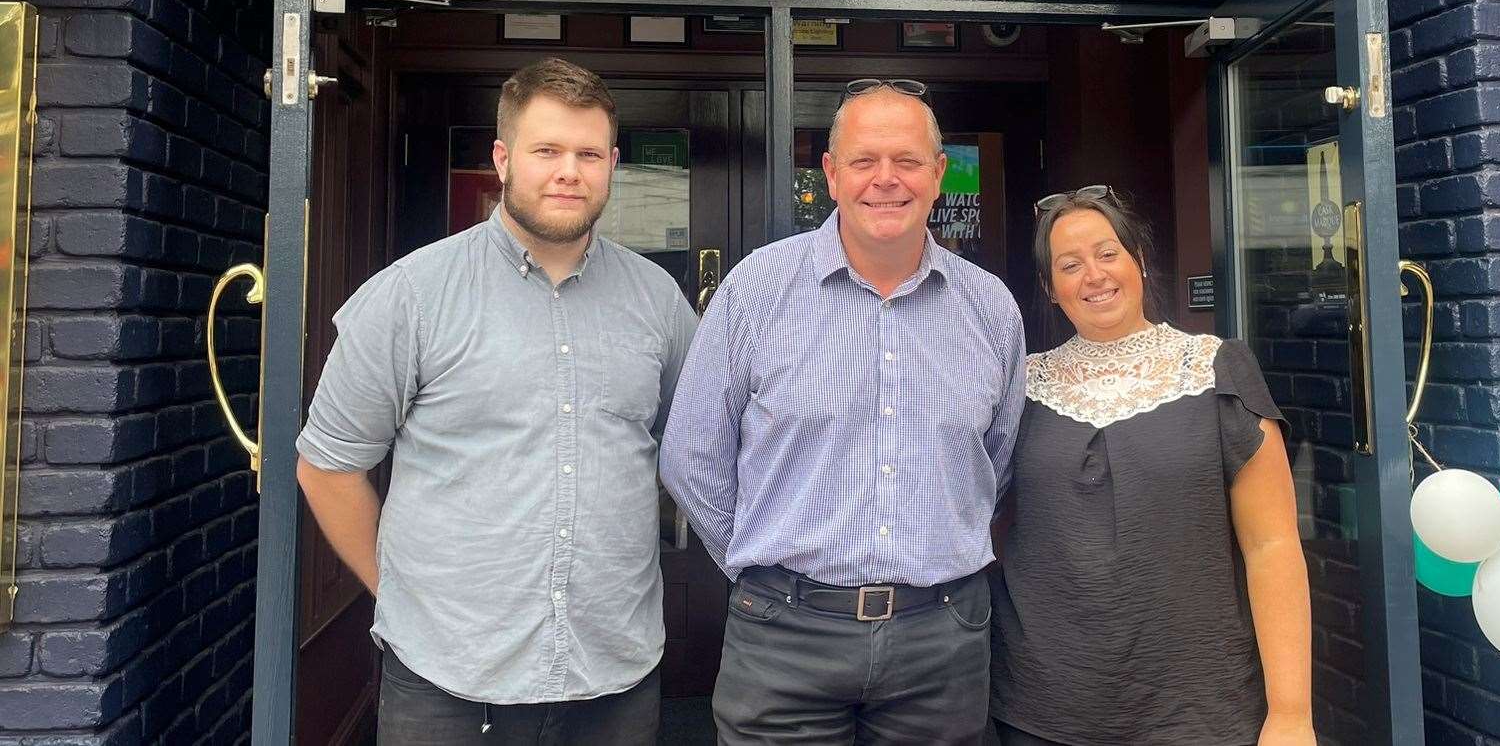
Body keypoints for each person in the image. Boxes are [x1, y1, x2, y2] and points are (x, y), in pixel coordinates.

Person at [295, 59, 698, 745]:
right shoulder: (412, 295)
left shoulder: (656, 299)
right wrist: (401, 596)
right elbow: (328, 466)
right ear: (503, 159)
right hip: (448, 685)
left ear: (612, 164)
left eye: (588, 153)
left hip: (614, 677)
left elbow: (694, 446)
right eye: (547, 150)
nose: (568, 170)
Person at [660, 78, 1027, 746]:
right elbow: (690, 454)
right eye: (863, 160)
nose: (885, 180)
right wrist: (761, 567)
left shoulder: (990, 308)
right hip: (784, 637)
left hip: (941, 637)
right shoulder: (755, 290)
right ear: (830, 174)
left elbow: (993, 463)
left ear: (939, 173)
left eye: (908, 161)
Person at [988, 186, 1314, 746]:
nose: (1094, 275)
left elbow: (1273, 546)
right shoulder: (1020, 384)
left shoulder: (1216, 369)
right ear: (1050, 287)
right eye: (1070, 264)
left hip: (1198, 705)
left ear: (1138, 259)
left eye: (1108, 253)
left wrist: (1291, 713)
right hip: (1041, 706)